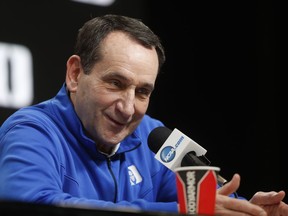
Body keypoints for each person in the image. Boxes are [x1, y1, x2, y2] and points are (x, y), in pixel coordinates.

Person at [0, 14, 287, 216]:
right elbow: (34, 205)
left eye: (142, 92)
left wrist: (249, 209)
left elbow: (210, 202)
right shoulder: (31, 131)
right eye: (115, 83)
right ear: (75, 74)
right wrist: (181, 211)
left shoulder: (155, 136)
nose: (127, 108)